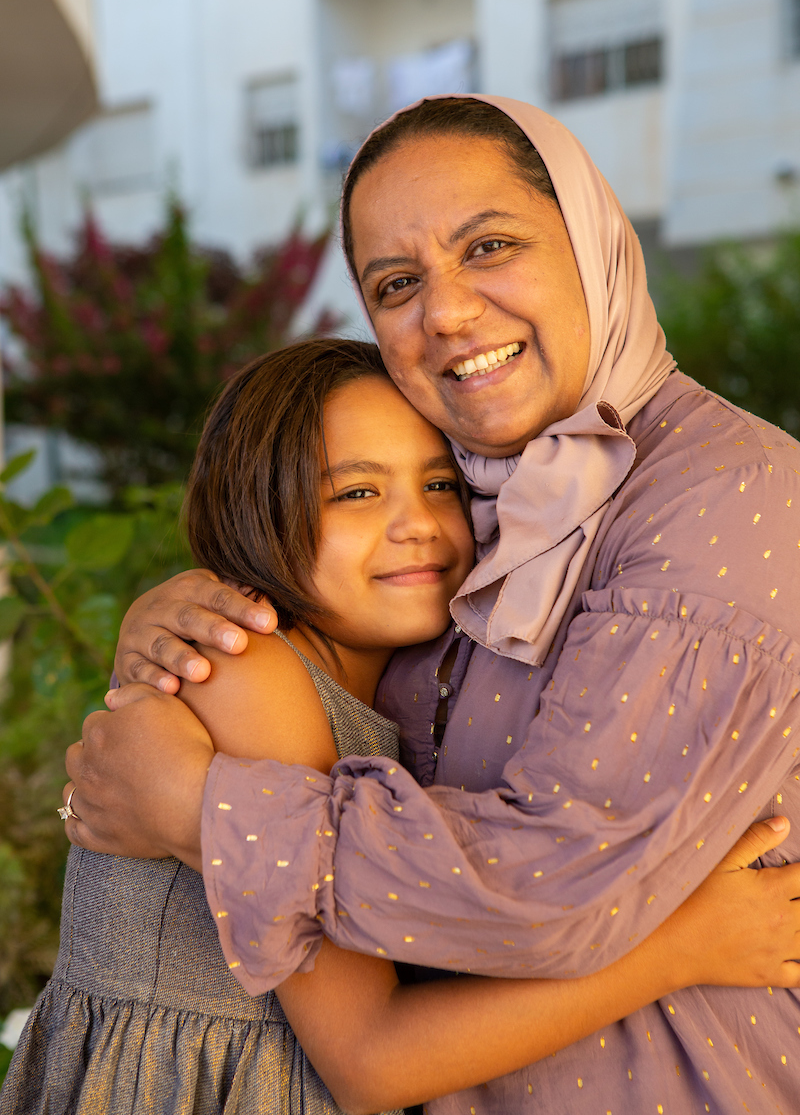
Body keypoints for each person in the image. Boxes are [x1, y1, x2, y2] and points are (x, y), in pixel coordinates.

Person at [63, 96, 800, 1114]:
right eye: (395, 283)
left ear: (591, 240)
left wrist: (196, 810)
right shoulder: (493, 489)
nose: (445, 313)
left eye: (489, 244)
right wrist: (188, 601)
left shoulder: (721, 497)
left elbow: (551, 889)